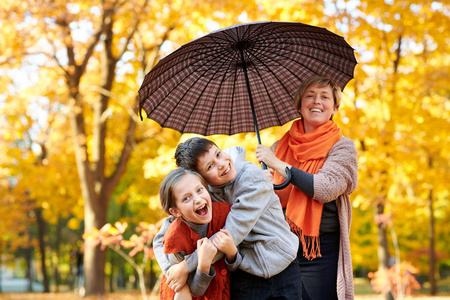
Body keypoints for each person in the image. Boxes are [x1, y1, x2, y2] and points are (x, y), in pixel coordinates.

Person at [154, 137, 301, 299]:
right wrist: (172, 273)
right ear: (201, 179)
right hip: (244, 269)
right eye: (210, 166)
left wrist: (185, 267)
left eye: (218, 154)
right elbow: (161, 238)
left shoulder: (251, 177)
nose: (222, 164)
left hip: (282, 264)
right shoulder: (204, 192)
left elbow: (232, 232)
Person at [255, 76, 358, 300]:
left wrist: (278, 165)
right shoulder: (278, 147)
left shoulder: (343, 148)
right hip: (280, 246)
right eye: (309, 96)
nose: (316, 102)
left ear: (335, 106)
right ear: (299, 105)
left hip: (319, 251)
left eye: (324, 97)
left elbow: (325, 188)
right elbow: (264, 199)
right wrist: (261, 180)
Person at [158, 167, 240, 300]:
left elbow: (235, 266)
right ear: (176, 212)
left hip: (222, 293)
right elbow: (195, 291)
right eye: (186, 198)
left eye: (199, 190)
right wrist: (203, 265)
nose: (197, 199)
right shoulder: (174, 239)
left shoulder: (224, 213)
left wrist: (232, 253)